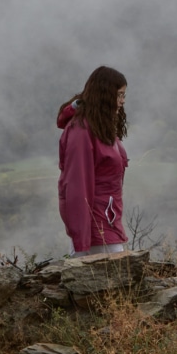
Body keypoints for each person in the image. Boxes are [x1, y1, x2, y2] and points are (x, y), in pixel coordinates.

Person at [56, 66, 129, 257]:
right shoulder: (81, 131)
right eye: (119, 95)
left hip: (107, 223)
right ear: (105, 95)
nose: (122, 101)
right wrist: (82, 244)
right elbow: (77, 188)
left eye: (124, 95)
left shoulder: (99, 127)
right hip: (97, 232)